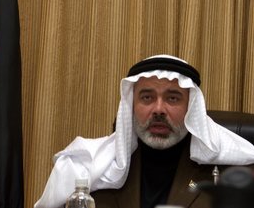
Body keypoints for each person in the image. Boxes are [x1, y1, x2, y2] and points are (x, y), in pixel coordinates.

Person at [34, 54, 254, 208]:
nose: (159, 109)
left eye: (172, 98)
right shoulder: (87, 169)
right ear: (131, 105)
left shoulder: (235, 175)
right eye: (147, 97)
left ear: (191, 108)